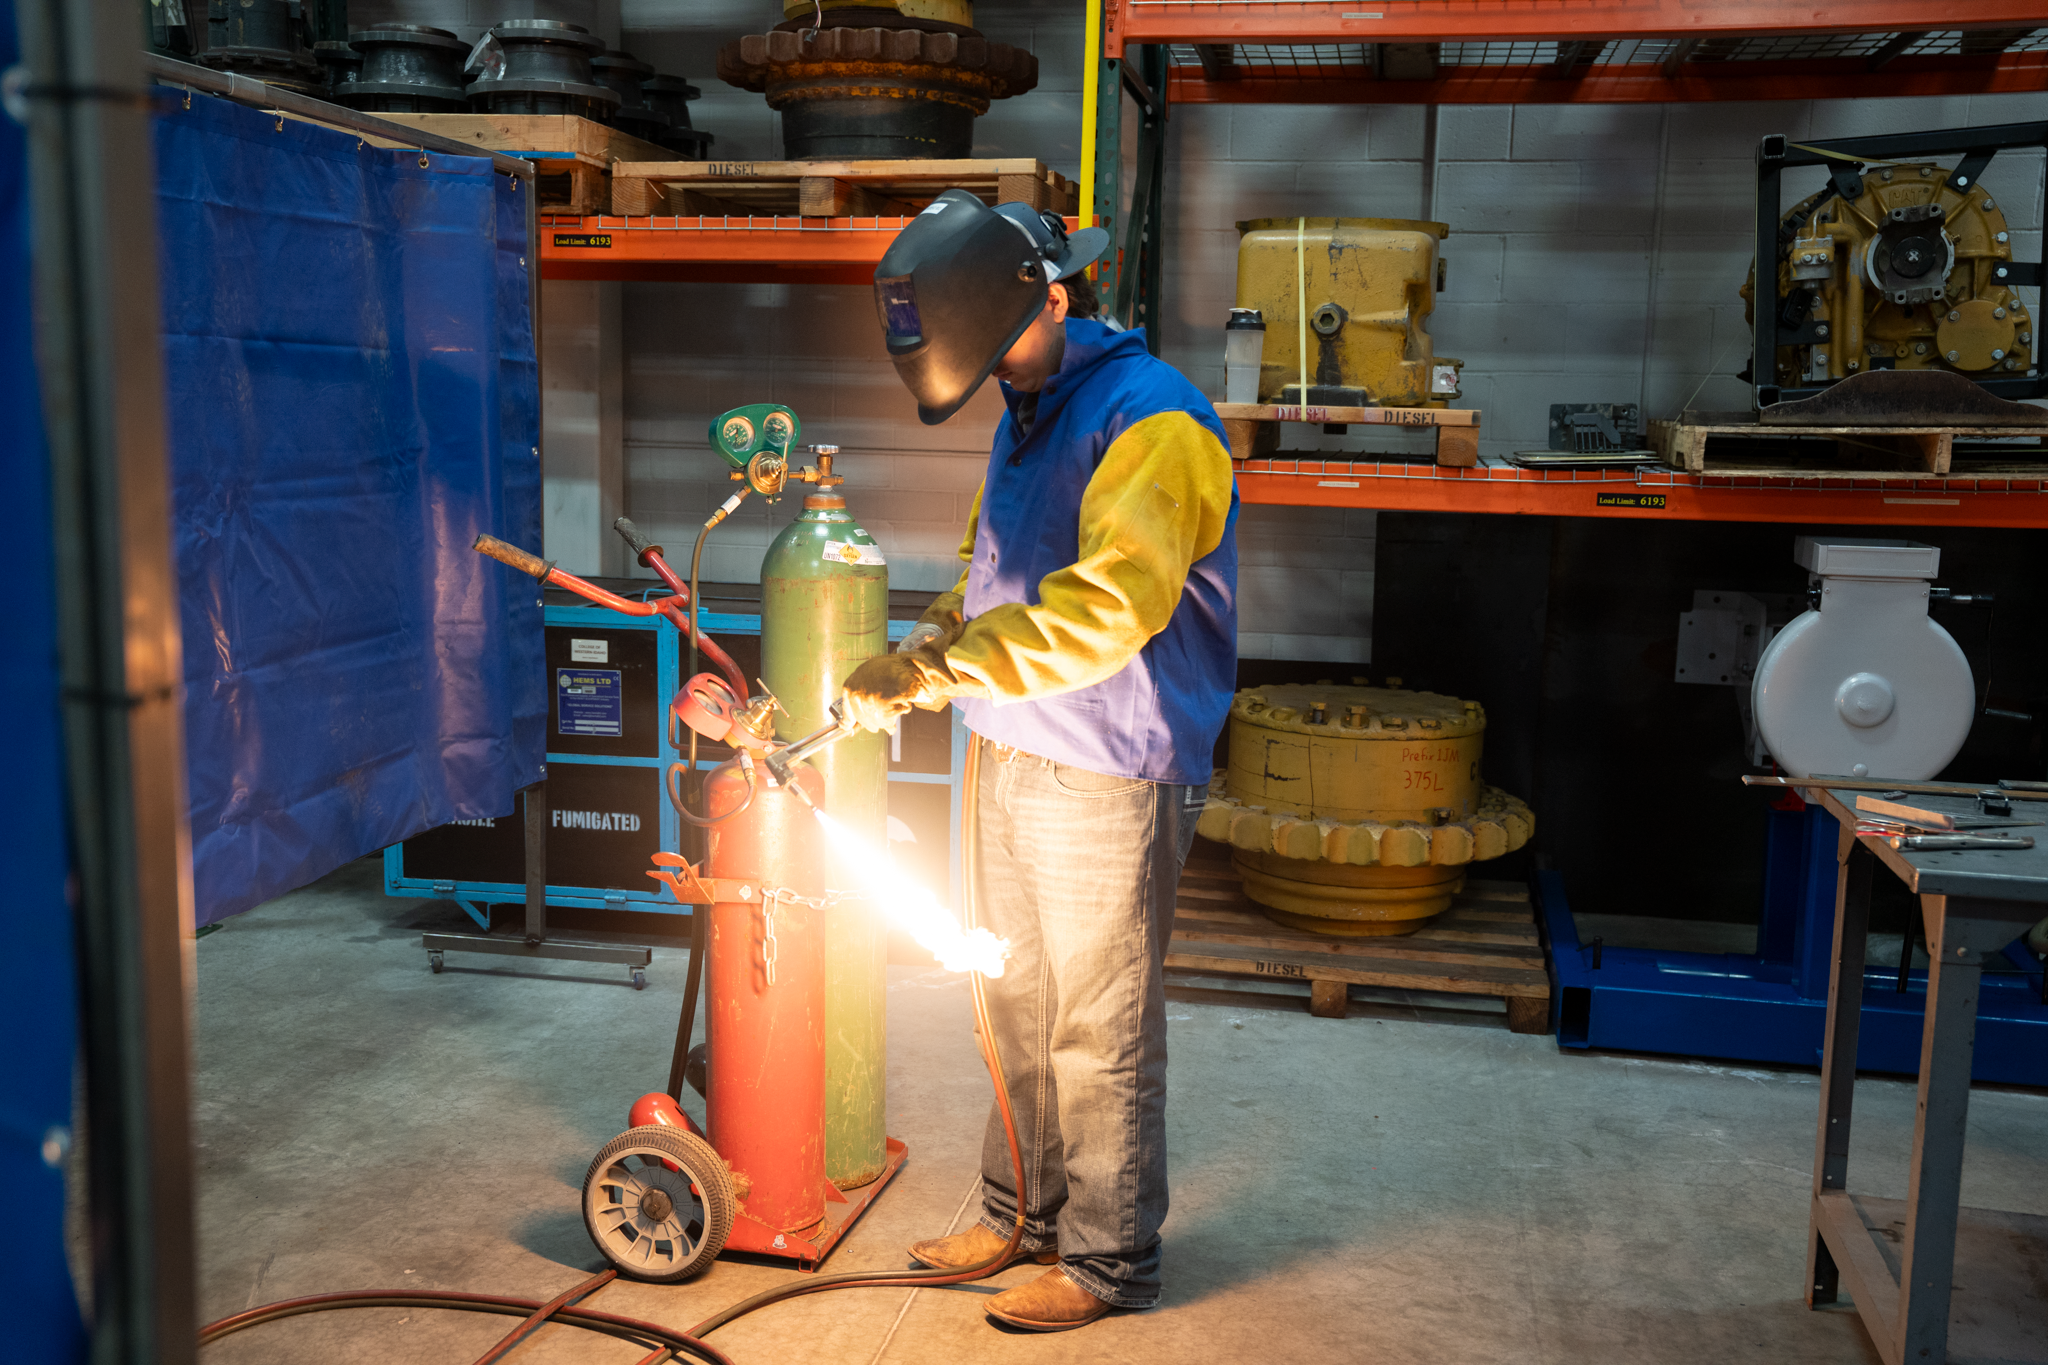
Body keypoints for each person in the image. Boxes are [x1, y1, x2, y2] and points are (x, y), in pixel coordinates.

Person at [839, 190, 1239, 1332]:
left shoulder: (1154, 421)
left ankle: (1110, 1262)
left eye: (1001, 352)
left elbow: (1110, 607)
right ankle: (1021, 1213)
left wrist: (940, 675)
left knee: (1096, 1029)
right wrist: (927, 638)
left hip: (1108, 765)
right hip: (1009, 745)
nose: (995, 377)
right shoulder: (1028, 402)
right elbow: (990, 562)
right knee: (1012, 1000)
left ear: (1055, 299)